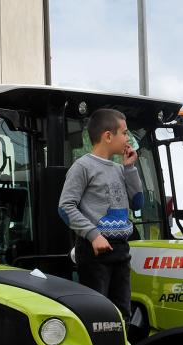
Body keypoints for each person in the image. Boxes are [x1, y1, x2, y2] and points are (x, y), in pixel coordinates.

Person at [58, 108, 142, 321]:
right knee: (98, 315)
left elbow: (138, 202)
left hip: (121, 249)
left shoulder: (120, 169)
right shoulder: (83, 167)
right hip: (95, 252)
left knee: (122, 312)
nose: (127, 138)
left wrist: (130, 168)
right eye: (124, 133)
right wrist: (94, 235)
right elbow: (65, 207)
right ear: (108, 136)